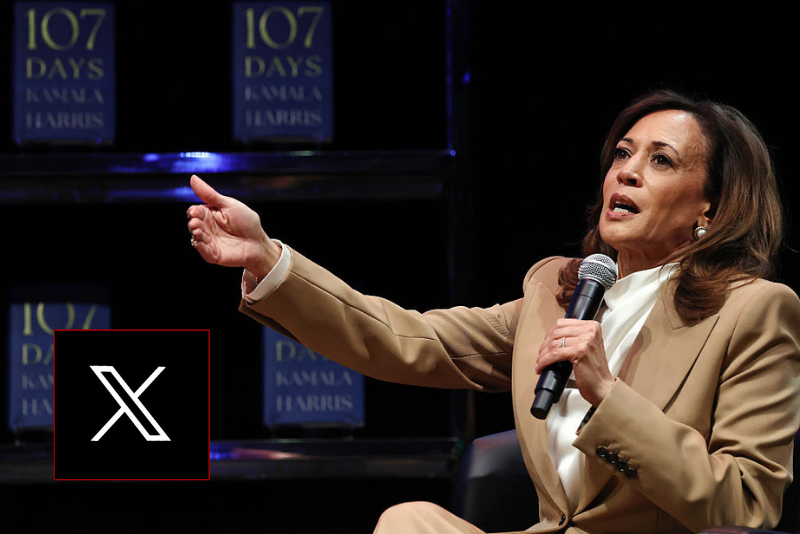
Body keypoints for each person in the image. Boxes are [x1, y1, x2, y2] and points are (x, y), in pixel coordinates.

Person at [186, 90, 800, 534]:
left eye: (661, 161)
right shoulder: (553, 292)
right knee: (410, 522)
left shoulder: (752, 312)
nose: (628, 173)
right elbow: (410, 339)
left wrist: (607, 393)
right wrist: (269, 259)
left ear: (711, 212)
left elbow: (746, 505)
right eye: (622, 154)